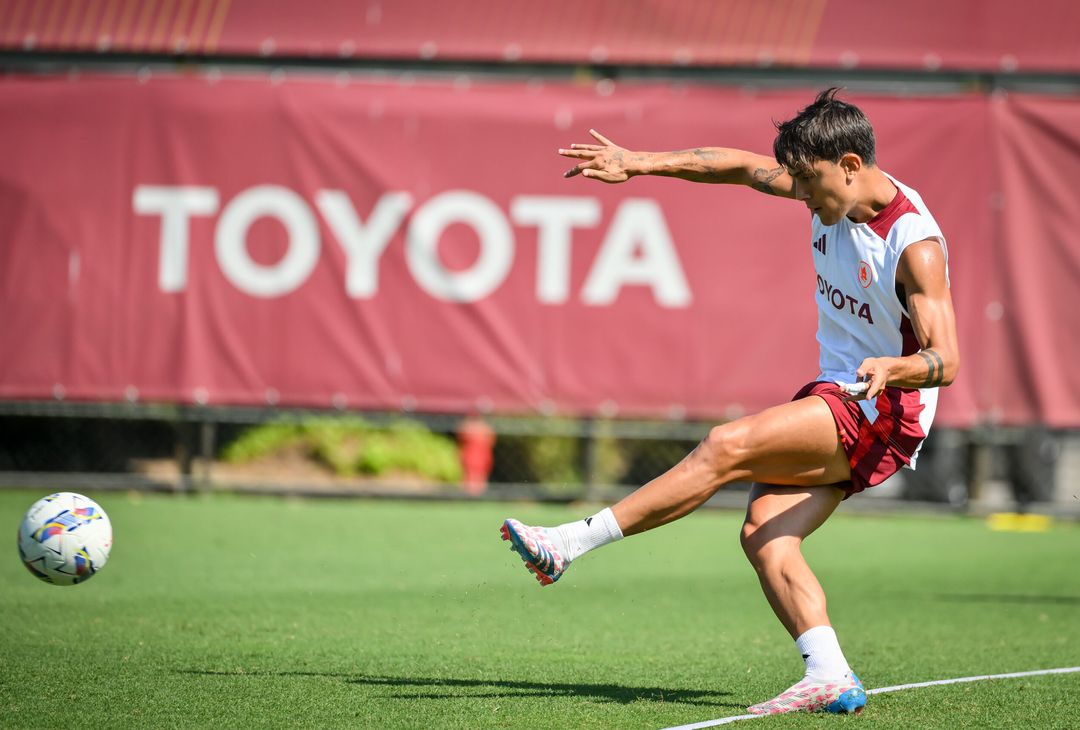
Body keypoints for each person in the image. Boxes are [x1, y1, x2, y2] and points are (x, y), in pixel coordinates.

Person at [500, 88, 959, 716]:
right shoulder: (827, 192)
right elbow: (738, 166)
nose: (799, 195)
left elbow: (947, 361)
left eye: (809, 181)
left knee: (726, 444)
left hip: (884, 409)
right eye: (794, 180)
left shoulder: (913, 244)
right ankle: (829, 673)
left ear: (850, 165)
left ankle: (569, 544)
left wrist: (895, 366)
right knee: (765, 534)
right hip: (843, 394)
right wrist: (639, 162)